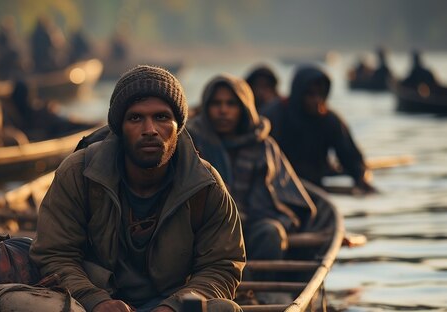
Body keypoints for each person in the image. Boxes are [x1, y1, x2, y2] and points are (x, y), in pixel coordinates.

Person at [30, 65, 245, 312]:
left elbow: (222, 265)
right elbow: (54, 254)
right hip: (92, 299)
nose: (150, 130)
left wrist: (172, 307)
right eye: (135, 118)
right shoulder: (79, 172)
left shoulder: (205, 184)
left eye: (162, 117)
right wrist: (96, 301)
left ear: (179, 126)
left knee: (225, 309)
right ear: (119, 127)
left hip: (171, 298)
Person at [186, 75, 321, 290]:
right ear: (206, 106)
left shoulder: (262, 145)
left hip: (250, 225)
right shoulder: (190, 142)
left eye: (231, 104)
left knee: (272, 232)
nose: (223, 111)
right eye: (216, 104)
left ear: (244, 108)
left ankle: (257, 290)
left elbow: (279, 197)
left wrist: (239, 217)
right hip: (204, 229)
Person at [263, 65, 376, 194]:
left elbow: (350, 157)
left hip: (316, 182)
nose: (316, 100)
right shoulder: (275, 115)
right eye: (310, 94)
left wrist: (361, 178)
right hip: (278, 182)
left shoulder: (329, 120)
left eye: (320, 94)